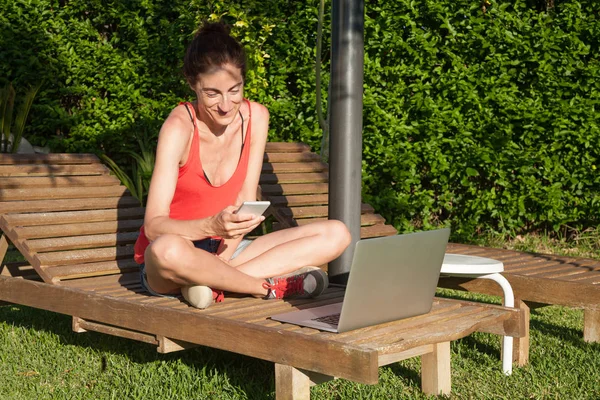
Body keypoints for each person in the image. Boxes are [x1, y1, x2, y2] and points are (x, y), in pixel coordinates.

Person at [133, 21, 351, 309]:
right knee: (164, 250)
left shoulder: (256, 117)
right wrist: (211, 225)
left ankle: (209, 285)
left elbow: (245, 199)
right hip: (177, 254)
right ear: (191, 84)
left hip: (229, 250)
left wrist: (222, 258)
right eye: (212, 93)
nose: (225, 105)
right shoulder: (178, 128)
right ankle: (264, 288)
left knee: (337, 233)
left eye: (234, 90)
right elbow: (154, 227)